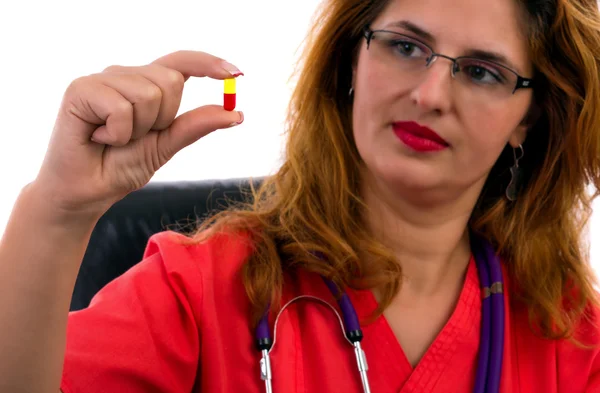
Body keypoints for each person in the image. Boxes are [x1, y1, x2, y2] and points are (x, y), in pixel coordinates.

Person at [1, 0, 600, 391]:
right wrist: (59, 210)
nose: (430, 95)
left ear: (531, 117)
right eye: (405, 46)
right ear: (351, 62)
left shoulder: (572, 339)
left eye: (483, 71)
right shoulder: (203, 287)